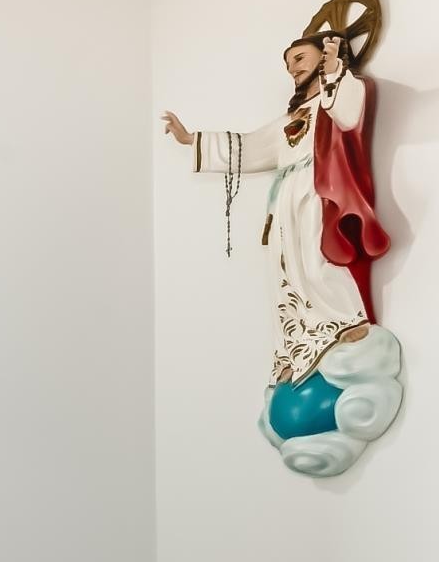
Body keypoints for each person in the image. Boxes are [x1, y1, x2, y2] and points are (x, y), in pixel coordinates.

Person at [163, 27, 390, 388]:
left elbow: (348, 114)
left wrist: (335, 74)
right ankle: (297, 345)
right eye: (288, 63)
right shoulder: (293, 118)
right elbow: (253, 146)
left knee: (318, 259)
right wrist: (193, 139)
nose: (292, 68)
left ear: (326, 55)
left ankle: (347, 321)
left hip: (321, 191)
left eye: (299, 58)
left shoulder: (345, 90)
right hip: (285, 195)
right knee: (286, 269)